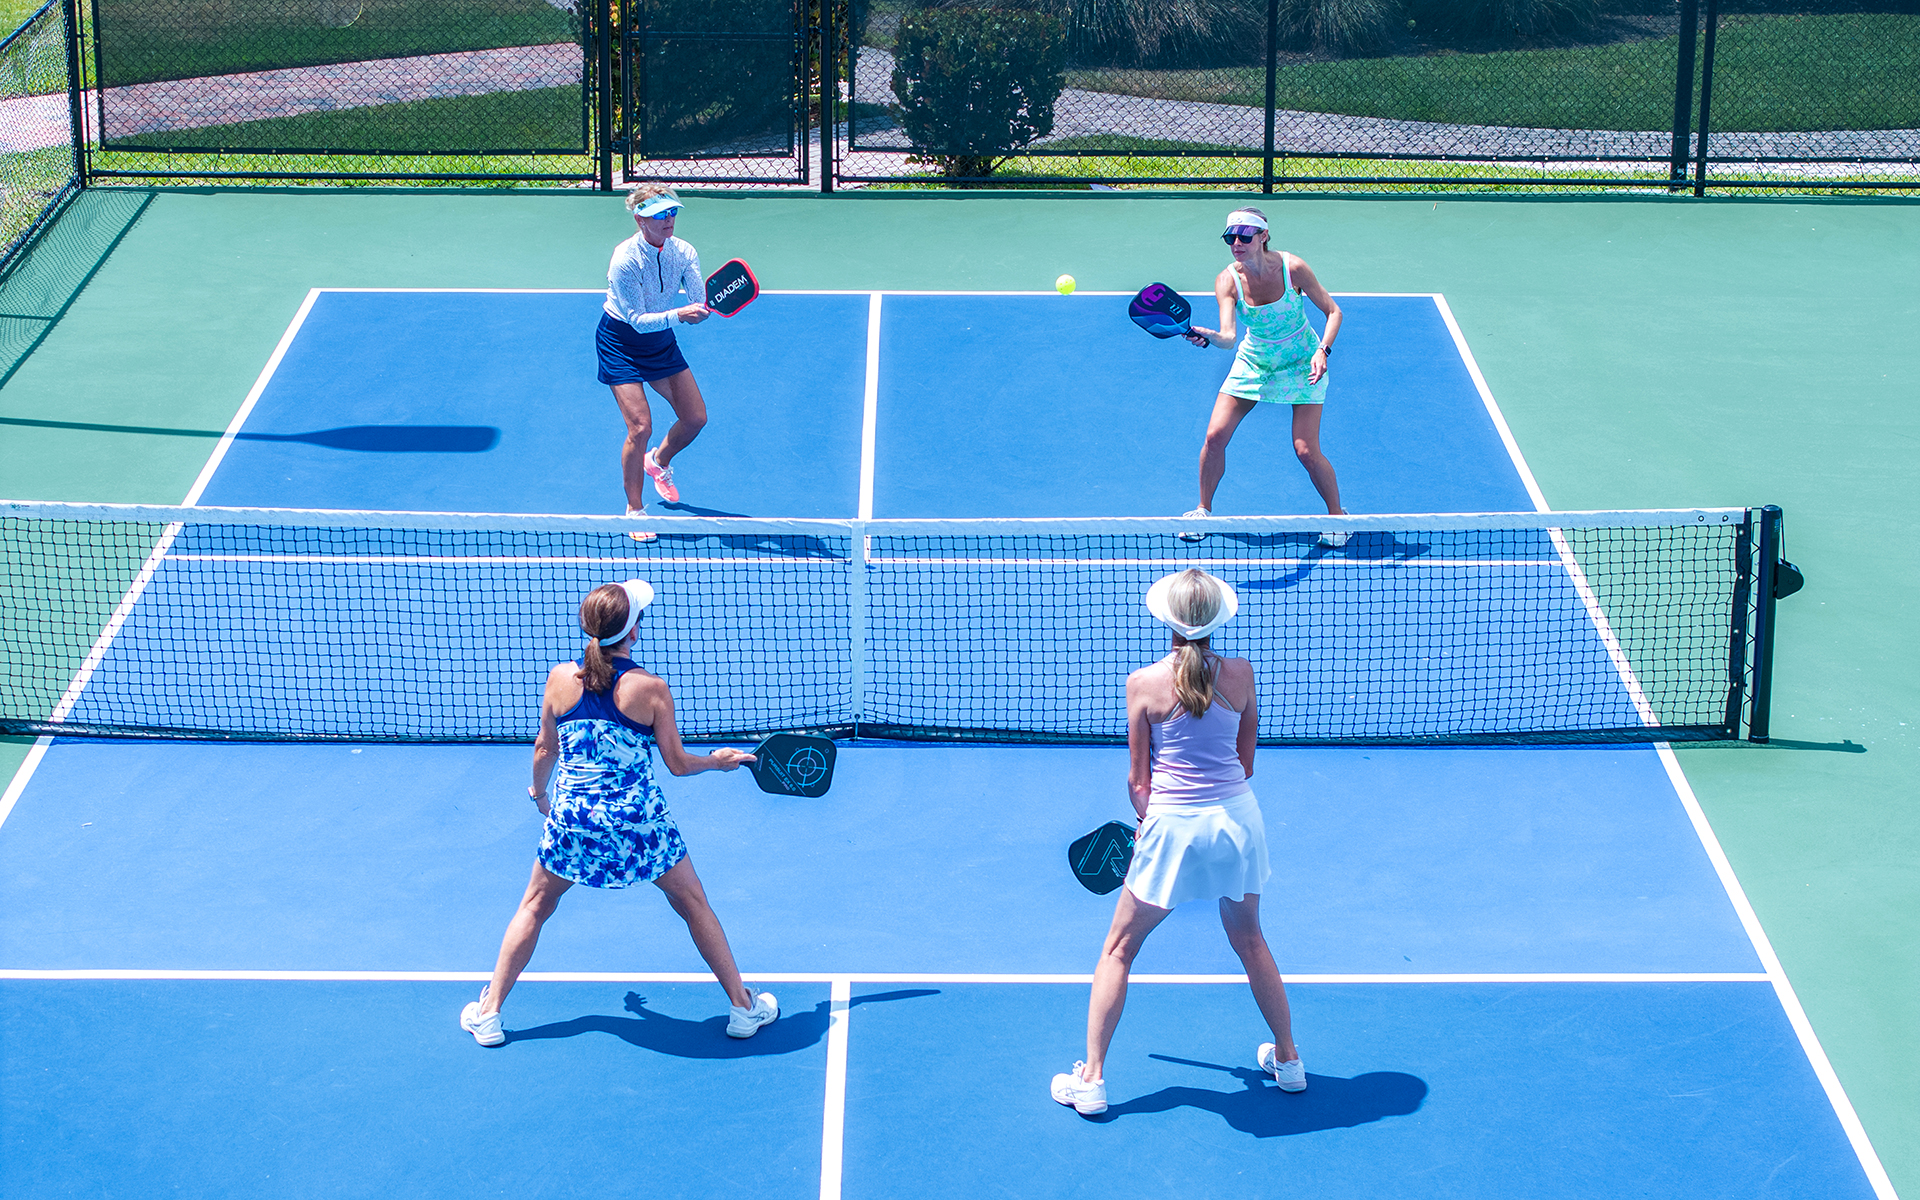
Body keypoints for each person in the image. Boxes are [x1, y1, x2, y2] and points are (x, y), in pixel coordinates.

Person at [459, 579, 777, 1047]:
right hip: (639, 825)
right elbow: (677, 764)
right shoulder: (650, 689)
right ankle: (743, 1009)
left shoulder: (559, 679)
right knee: (692, 904)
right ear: (633, 632)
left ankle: (488, 1016)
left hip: (574, 820)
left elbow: (545, 748)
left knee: (534, 906)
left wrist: (540, 795)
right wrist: (718, 761)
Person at [1050, 569, 1304, 1115]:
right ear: (1217, 620)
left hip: (1172, 828)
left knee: (1118, 949)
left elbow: (1139, 781)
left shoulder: (1143, 684)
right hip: (1238, 824)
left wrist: (1147, 823)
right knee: (1250, 940)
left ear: (1166, 619)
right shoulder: (1241, 674)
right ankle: (1288, 1061)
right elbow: (1245, 764)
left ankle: (1091, 1081)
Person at [1181, 207, 1348, 547]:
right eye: (1231, 237)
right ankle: (1202, 510)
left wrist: (1322, 351)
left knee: (1305, 450)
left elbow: (1333, 312)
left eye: (1244, 236)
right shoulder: (1227, 280)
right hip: (1255, 362)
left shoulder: (1293, 268)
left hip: (1302, 362)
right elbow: (1228, 337)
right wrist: (1209, 336)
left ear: (1263, 236)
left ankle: (1339, 518)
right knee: (1214, 436)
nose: (1237, 243)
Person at [597, 184, 712, 543]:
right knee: (640, 427)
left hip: (660, 342)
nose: (669, 219)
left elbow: (698, 300)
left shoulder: (684, 251)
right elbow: (636, 320)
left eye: (672, 212)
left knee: (695, 418)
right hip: (621, 341)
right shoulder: (625, 260)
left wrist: (700, 309)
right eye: (660, 214)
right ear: (640, 219)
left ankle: (658, 461)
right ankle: (634, 510)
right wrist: (681, 314)